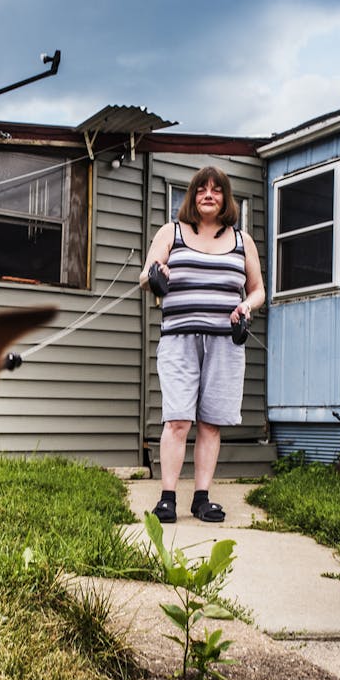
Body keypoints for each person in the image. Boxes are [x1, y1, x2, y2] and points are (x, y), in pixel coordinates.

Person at [141, 166, 265, 523]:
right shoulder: (172, 232)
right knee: (178, 419)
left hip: (225, 343)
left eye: (216, 190)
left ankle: (201, 498)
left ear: (226, 198)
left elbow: (257, 290)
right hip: (179, 339)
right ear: (192, 197)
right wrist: (156, 273)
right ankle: (167, 497)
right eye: (201, 190)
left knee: (211, 423)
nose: (208, 195)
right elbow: (145, 277)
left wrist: (246, 305)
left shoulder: (243, 241)